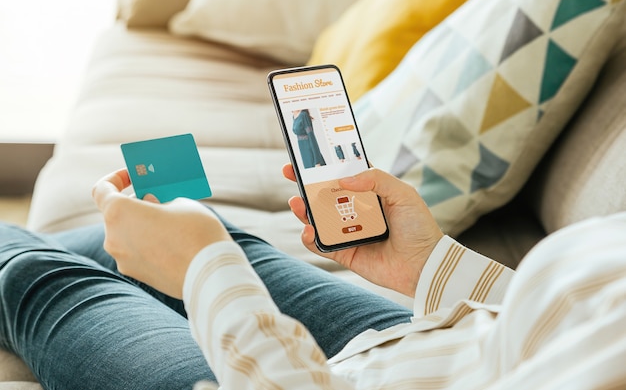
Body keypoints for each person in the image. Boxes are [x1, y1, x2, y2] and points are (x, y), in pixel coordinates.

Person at [0, 165, 625, 390]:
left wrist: (202, 268)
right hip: (435, 350)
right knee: (167, 235)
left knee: (31, 275)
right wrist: (434, 264)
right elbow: (566, 327)